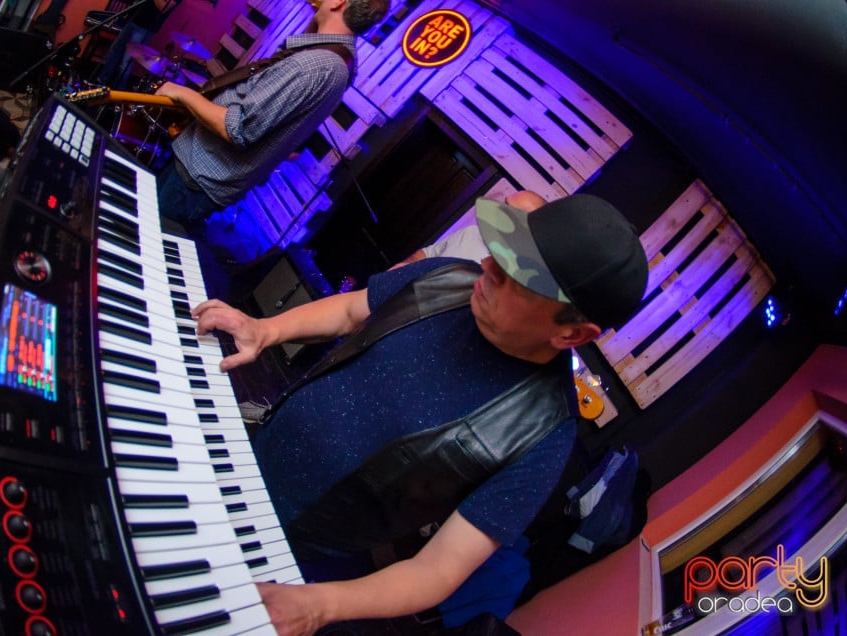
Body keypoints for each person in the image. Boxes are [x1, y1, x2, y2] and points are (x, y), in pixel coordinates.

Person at [191, 193, 650, 634]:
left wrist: (317, 606)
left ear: (571, 334)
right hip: (246, 454)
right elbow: (351, 310)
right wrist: (264, 330)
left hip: (294, 546)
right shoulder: (447, 275)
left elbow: (438, 569)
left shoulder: (544, 436)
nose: (487, 266)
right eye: (502, 253)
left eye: (517, 275)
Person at [153, 0, 389, 231]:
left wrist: (183, 94)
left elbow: (237, 128)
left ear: (338, 2)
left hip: (198, 177)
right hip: (198, 171)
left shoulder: (318, 65)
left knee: (147, 236)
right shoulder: (333, 59)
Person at [390, 190, 547, 268]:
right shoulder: (472, 233)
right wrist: (403, 267)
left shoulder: (511, 276)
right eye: (504, 203)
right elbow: (428, 253)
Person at [95, 0, 182, 90]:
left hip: (145, 27)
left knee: (126, 61)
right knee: (114, 50)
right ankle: (101, 81)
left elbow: (163, 8)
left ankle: (118, 90)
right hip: (134, 19)